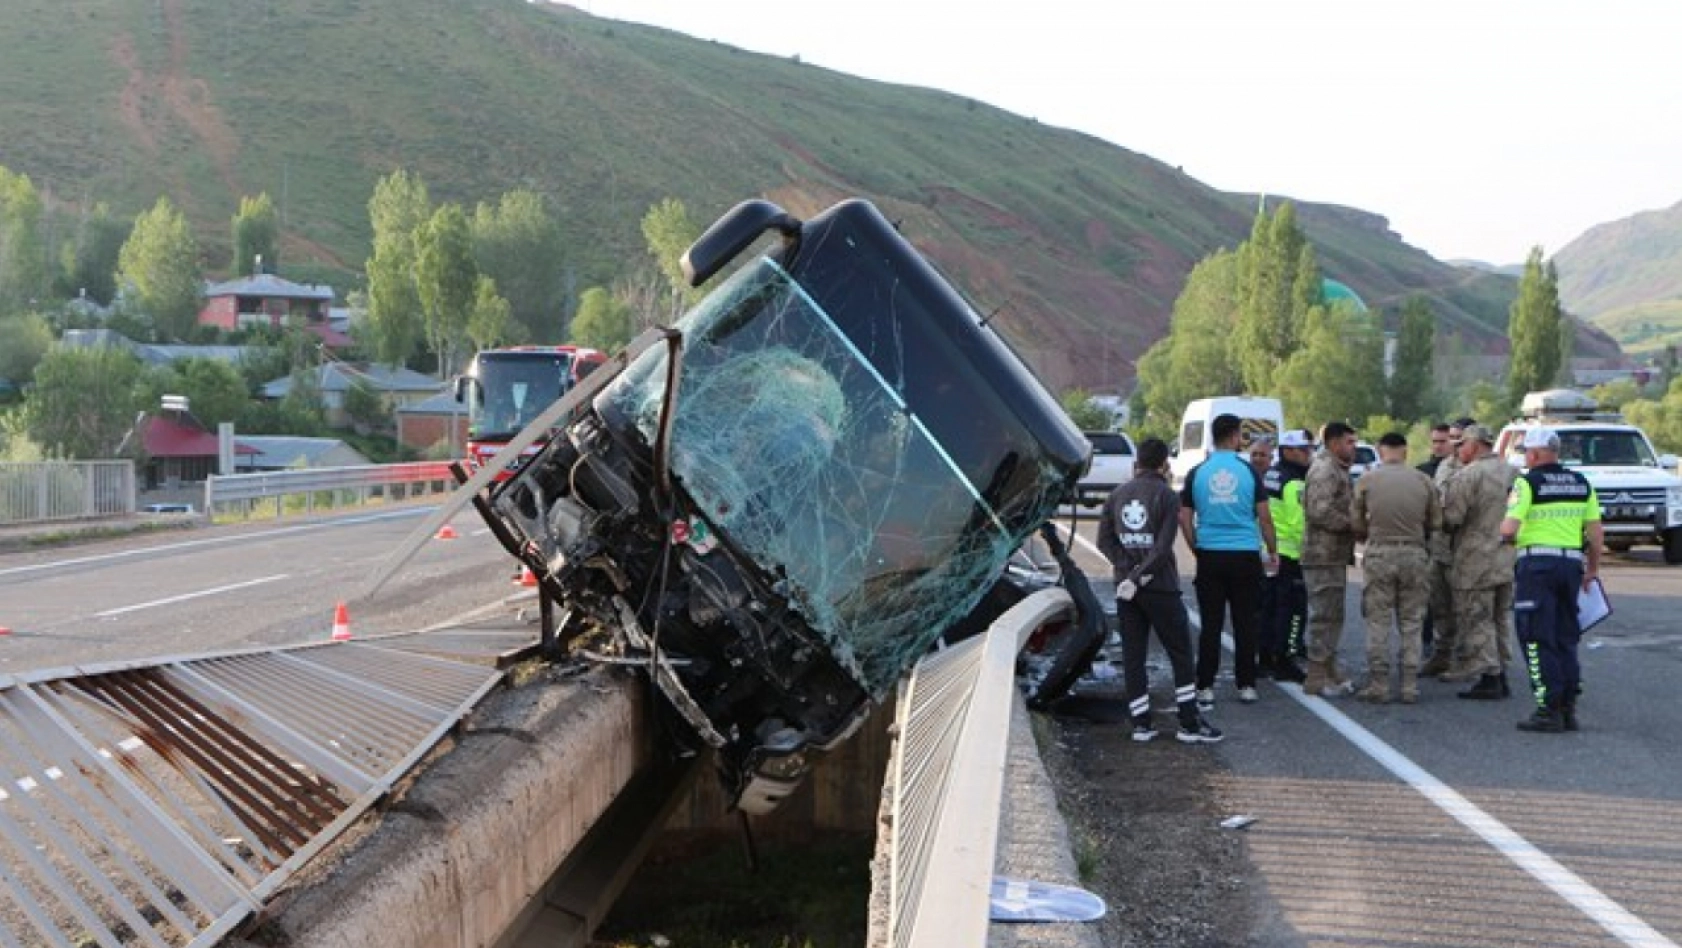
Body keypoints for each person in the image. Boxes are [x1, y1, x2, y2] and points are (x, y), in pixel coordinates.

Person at [1096, 438, 1224, 744]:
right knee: (1180, 653)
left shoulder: (1116, 495)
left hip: (1126, 590)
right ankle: (1189, 722)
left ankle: (1141, 723)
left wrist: (1127, 571)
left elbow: (1104, 541)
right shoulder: (1167, 496)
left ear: (1136, 462)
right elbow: (1163, 548)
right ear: (1165, 464)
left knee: (1133, 655)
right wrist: (1141, 576)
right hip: (1161, 588)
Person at [1500, 427, 1603, 733]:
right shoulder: (1581, 483)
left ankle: (1548, 708)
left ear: (1533, 453)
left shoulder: (1527, 483)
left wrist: (1502, 537)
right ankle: (1569, 706)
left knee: (1535, 636)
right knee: (1565, 636)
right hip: (1571, 565)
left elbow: (1508, 529)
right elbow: (1596, 535)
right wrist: (1592, 570)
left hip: (1537, 567)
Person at [1179, 413, 1278, 709]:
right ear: (1236, 436)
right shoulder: (1248, 472)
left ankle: (1205, 685)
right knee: (1245, 621)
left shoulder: (1199, 472)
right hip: (1245, 553)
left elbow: (1184, 517)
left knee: (1211, 623)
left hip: (1210, 553)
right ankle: (1246, 684)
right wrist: (1272, 550)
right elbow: (1264, 517)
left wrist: (1195, 546)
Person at [1351, 432, 1440, 703]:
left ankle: (1379, 683)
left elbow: (1356, 523)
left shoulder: (1367, 481)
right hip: (1414, 552)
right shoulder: (1423, 481)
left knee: (1378, 621)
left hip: (1380, 552)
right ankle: (1409, 684)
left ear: (1380, 450)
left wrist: (1371, 533)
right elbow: (1436, 521)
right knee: (1412, 621)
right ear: (1405, 450)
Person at [1442, 424, 1519, 699]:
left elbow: (1452, 518)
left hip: (1476, 558)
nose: (1458, 450)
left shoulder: (1469, 475)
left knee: (1477, 616)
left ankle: (1489, 675)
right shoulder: (1512, 471)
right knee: (1500, 617)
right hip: (1506, 556)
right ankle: (1502, 669)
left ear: (1474, 445)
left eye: (1461, 445)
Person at [1301, 420, 1358, 697]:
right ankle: (1316, 675)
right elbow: (1319, 511)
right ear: (1334, 443)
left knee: (1334, 614)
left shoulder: (1337, 469)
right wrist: (1352, 524)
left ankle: (1328, 667)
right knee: (1324, 616)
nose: (1354, 447)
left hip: (1332, 554)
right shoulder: (1325, 470)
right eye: (1349, 442)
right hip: (1321, 555)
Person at [1421, 417, 1474, 677]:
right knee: (1439, 606)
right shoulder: (1443, 466)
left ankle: (1465, 660)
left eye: (1457, 437)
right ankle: (1441, 656)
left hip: (1466, 550)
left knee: (1465, 608)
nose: (1452, 442)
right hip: (1439, 547)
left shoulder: (1478, 469)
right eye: (1449, 437)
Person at [1260, 429, 1314, 683]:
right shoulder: (1294, 482)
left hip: (1268, 551)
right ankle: (1284, 659)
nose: (1308, 455)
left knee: (1267, 607)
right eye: (1304, 450)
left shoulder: (1271, 474)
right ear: (1288, 451)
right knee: (1293, 610)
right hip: (1290, 553)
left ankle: (1265, 658)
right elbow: (1298, 523)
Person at [1416, 422, 1455, 654]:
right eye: (1435, 441)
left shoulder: (1463, 470)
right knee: (1429, 596)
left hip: (1458, 544)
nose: (1439, 446)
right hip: (1430, 541)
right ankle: (1427, 640)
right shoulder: (1422, 472)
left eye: (1444, 441)